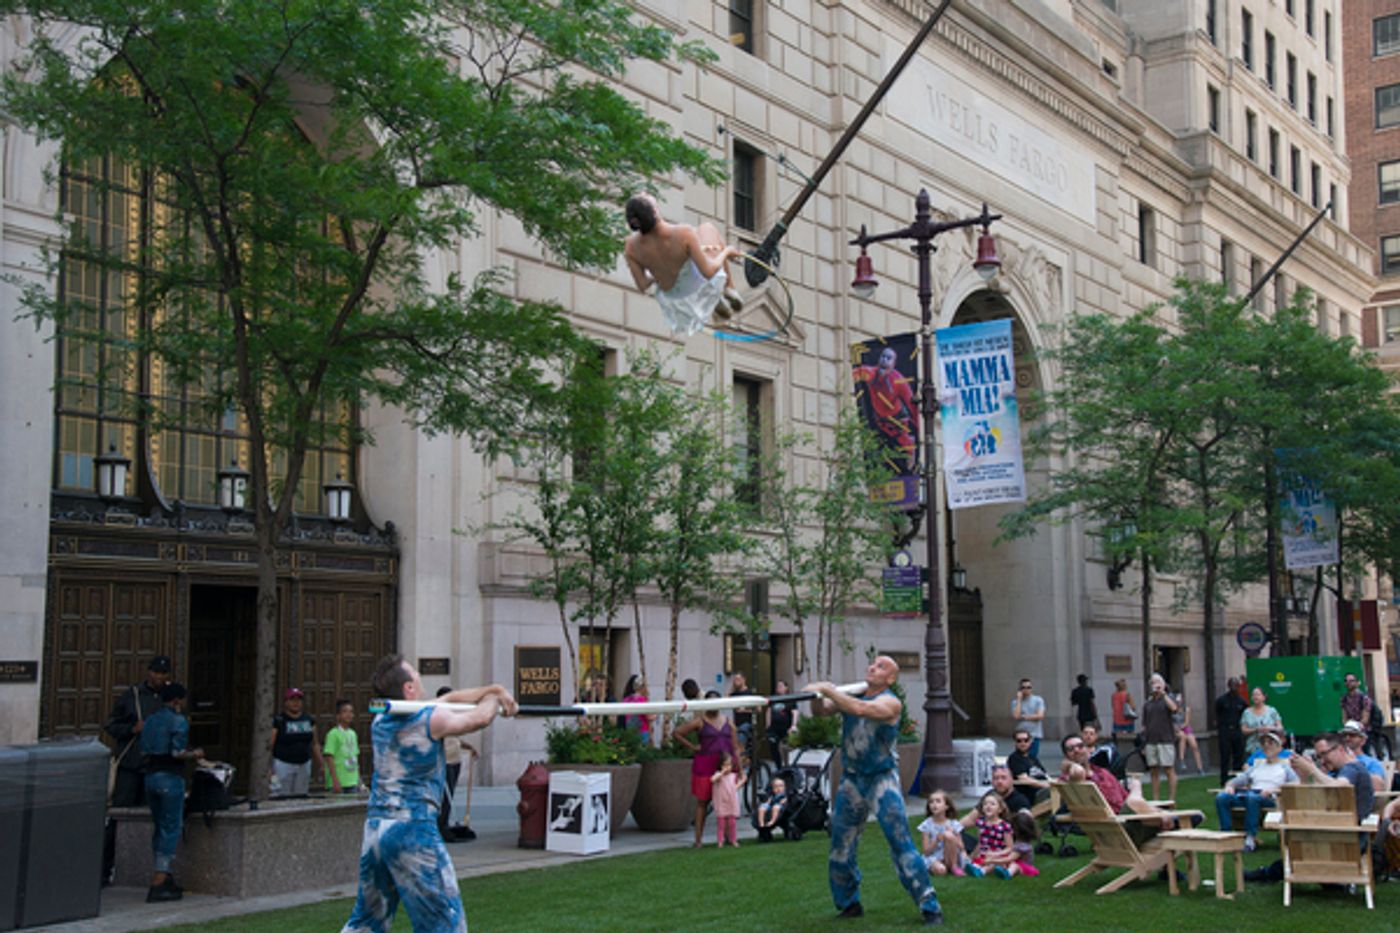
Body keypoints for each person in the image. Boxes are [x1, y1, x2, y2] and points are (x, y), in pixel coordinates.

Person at [341, 655, 516, 933]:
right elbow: (479, 718)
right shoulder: (428, 720)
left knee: (367, 921)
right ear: (409, 688)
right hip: (412, 830)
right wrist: (497, 702)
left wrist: (494, 690)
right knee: (444, 923)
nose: (421, 677)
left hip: (376, 829)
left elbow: (452, 699)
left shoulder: (382, 719)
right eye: (416, 674)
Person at [806, 656, 944, 924]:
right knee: (840, 846)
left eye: (881, 667)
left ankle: (929, 906)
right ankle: (848, 904)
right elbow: (821, 710)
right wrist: (814, 696)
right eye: (872, 664)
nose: (872, 667)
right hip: (852, 779)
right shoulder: (852, 694)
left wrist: (828, 688)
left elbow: (858, 709)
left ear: (890, 679)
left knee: (899, 842)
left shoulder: (890, 702)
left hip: (882, 780)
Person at [623, 192, 742, 335]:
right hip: (696, 284)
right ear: (655, 211)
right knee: (708, 229)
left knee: (699, 246)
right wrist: (727, 252)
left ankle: (720, 296)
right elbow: (709, 272)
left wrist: (658, 273)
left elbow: (642, 285)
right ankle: (729, 288)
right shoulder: (683, 233)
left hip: (676, 298)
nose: (645, 193)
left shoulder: (631, 247)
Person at [1059, 732, 1196, 847]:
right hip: (1117, 830)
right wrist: (1136, 789)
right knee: (1135, 792)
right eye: (1071, 749)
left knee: (1133, 799)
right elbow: (1077, 772)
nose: (1076, 750)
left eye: (1080, 746)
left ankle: (1166, 820)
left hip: (1130, 823)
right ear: (1066, 756)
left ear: (1088, 749)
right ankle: (1169, 819)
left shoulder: (1103, 772)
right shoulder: (1072, 780)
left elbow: (1127, 799)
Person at [103, 655, 171, 883]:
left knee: (152, 819)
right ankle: (105, 868)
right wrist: (133, 728)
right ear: (148, 672)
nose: (158, 677)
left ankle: (142, 869)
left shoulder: (169, 698)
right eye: (155, 672)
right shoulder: (131, 696)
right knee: (120, 816)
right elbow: (111, 724)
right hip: (131, 765)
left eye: (163, 674)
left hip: (155, 765)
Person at [139, 682, 203, 903]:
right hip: (170, 777)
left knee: (159, 825)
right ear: (177, 700)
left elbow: (144, 748)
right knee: (171, 825)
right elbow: (177, 752)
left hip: (150, 777)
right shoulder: (178, 721)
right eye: (182, 700)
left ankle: (161, 873)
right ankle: (160, 876)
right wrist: (194, 754)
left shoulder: (150, 720)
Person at [674, 690, 743, 848]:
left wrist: (739, 767)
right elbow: (677, 733)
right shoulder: (700, 721)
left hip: (725, 766)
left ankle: (728, 837)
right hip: (705, 765)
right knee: (702, 802)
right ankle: (698, 840)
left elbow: (735, 746)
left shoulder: (728, 721)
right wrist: (693, 747)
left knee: (727, 801)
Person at [1215, 730, 1297, 851]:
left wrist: (1274, 790)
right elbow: (1239, 779)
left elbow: (1296, 783)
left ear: (1279, 747)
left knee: (1252, 798)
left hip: (1271, 798)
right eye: (1264, 743)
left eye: (1271, 743)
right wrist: (1230, 786)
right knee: (1222, 797)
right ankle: (1226, 834)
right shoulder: (1257, 766)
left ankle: (1250, 837)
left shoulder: (1284, 767)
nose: (1267, 746)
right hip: (1250, 795)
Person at [852, 345, 920, 475]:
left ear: (894, 363)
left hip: (897, 420)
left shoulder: (899, 381)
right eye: (882, 357)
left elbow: (912, 405)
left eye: (888, 358)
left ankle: (911, 464)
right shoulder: (871, 373)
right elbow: (857, 373)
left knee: (906, 446)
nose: (884, 360)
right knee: (872, 450)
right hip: (878, 420)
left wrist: (917, 425)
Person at [435, 686, 479, 842]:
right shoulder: (438, 717)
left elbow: (455, 738)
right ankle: (441, 826)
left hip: (455, 759)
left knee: (450, 794)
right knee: (443, 796)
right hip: (444, 761)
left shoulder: (452, 715)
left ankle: (444, 824)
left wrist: (468, 747)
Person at [269, 687, 324, 797]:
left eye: (298, 700)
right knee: (282, 796)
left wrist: (321, 764)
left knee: (301, 796)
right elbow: (270, 744)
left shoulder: (308, 720)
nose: (296, 703)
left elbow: (315, 744)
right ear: (286, 702)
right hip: (283, 764)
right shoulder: (279, 721)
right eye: (292, 699)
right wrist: (268, 767)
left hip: (304, 764)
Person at [918, 790, 978, 877]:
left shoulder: (953, 824)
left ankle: (954, 866)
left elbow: (961, 847)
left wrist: (954, 835)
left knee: (948, 835)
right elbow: (926, 852)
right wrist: (936, 841)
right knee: (941, 871)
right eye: (931, 802)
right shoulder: (926, 825)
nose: (934, 804)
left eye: (938, 801)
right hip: (935, 856)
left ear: (946, 806)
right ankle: (943, 867)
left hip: (952, 855)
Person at [1139, 673, 1178, 803]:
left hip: (1166, 739)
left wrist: (1163, 694)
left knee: (1168, 769)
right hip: (1151, 740)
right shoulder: (1148, 703)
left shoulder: (1168, 699)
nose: (1155, 685)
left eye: (1158, 683)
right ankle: (1156, 799)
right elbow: (1145, 725)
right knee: (1153, 770)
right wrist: (1144, 743)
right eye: (1153, 683)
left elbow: (1174, 708)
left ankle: (1171, 799)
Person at [980, 810, 1041, 879]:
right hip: (1016, 863)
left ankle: (1008, 874)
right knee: (1001, 863)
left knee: (1014, 865)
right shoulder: (1021, 842)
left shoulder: (1022, 846)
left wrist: (992, 860)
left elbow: (1009, 858)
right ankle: (982, 871)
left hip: (1026, 868)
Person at [964, 790, 1013, 874]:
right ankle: (976, 868)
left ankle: (983, 871)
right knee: (976, 861)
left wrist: (995, 854)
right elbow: (980, 842)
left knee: (994, 863)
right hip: (984, 854)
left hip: (999, 855)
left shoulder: (1004, 826)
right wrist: (972, 856)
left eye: (992, 804)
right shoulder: (980, 823)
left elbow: (1009, 848)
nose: (988, 806)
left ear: (1000, 809)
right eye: (985, 804)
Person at [323, 698, 362, 795]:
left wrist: (359, 780)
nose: (349, 714)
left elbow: (355, 757)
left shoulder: (353, 734)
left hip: (352, 781)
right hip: (339, 781)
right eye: (345, 711)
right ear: (338, 716)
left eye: (351, 712)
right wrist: (334, 780)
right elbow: (329, 757)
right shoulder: (333, 734)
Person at [1215, 676, 1248, 785]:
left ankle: (1237, 778)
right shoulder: (1221, 700)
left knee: (1238, 755)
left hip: (1237, 730)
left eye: (1236, 685)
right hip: (1225, 730)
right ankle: (1224, 779)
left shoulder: (1242, 702)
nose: (1234, 687)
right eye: (1232, 685)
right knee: (1225, 755)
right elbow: (1217, 715)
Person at [1339, 719, 1388, 792]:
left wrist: (1355, 764)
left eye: (1352, 735)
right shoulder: (1337, 761)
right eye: (1344, 735)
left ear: (1363, 741)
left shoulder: (1372, 763)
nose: (1347, 738)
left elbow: (1379, 787)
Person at [710, 752, 745, 847]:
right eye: (725, 765)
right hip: (721, 802)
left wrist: (741, 782)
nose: (727, 767)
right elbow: (712, 779)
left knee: (732, 823)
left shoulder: (733, 776)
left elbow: (734, 788)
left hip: (731, 802)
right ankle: (720, 840)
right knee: (721, 823)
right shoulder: (718, 775)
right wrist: (722, 772)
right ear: (721, 765)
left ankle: (733, 839)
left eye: (729, 765)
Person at [1240, 686, 1283, 759]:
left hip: (1270, 748)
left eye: (1258, 695)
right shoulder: (1247, 712)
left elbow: (1280, 727)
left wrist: (1271, 728)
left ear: (1264, 697)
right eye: (1253, 695)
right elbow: (1243, 730)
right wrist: (1256, 729)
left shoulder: (1272, 711)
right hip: (1252, 748)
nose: (1255, 697)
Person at [1007, 729, 1051, 797]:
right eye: (1019, 741)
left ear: (1030, 741)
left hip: (1046, 789)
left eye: (1026, 740)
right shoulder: (1015, 758)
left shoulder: (1032, 758)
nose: (1023, 743)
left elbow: (1045, 775)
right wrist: (1045, 785)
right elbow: (1024, 779)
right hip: (1034, 793)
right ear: (1015, 743)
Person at [1010, 678, 1045, 760]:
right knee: (1020, 757)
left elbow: (1040, 716)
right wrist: (1019, 700)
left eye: (1029, 687)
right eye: (1023, 687)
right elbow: (1016, 716)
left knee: (1032, 757)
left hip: (1034, 734)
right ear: (1020, 689)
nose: (1026, 690)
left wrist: (1024, 717)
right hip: (1020, 735)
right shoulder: (1015, 702)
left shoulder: (1038, 700)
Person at [765, 679, 797, 765]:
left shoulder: (790, 699)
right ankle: (778, 766)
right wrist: (768, 725)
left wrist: (793, 725)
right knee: (773, 747)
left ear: (786, 688)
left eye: (781, 686)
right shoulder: (773, 699)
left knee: (787, 748)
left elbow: (795, 712)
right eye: (777, 686)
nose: (778, 688)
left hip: (786, 728)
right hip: (774, 728)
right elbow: (768, 711)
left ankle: (788, 765)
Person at [1172, 687, 1203, 775]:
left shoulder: (1186, 708)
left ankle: (1200, 768)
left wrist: (1181, 727)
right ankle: (1181, 760)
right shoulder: (1171, 709)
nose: (1178, 700)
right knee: (1182, 736)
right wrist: (1175, 728)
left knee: (1194, 745)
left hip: (1184, 727)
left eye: (1180, 698)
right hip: (1175, 729)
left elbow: (1187, 722)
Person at [729, 671, 756, 759]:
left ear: (744, 680)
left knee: (740, 744)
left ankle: (744, 765)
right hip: (735, 724)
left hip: (746, 723)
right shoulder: (734, 694)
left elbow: (758, 709)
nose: (736, 681)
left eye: (738, 679)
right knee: (735, 745)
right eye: (735, 679)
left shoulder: (749, 693)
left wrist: (745, 710)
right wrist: (731, 688)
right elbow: (724, 701)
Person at [621, 674, 653, 746]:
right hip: (642, 731)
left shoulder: (626, 699)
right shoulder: (643, 699)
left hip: (630, 730)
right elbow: (649, 716)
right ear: (642, 687)